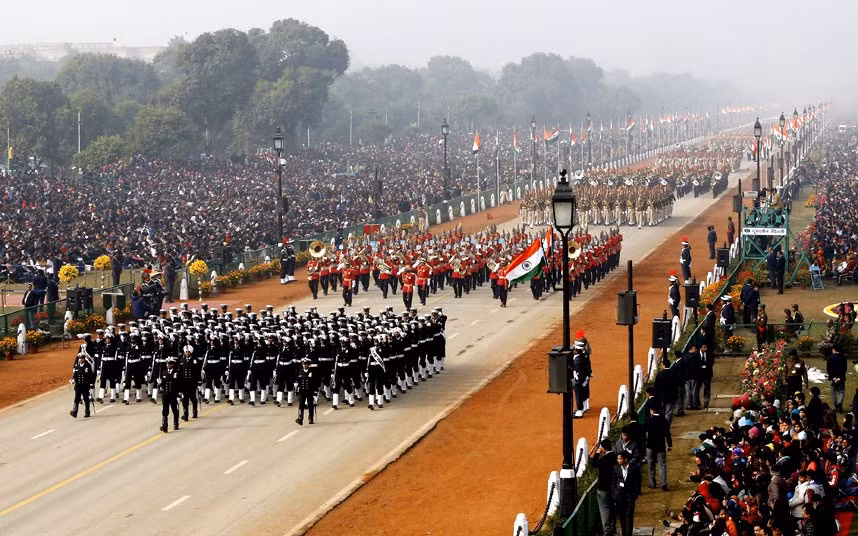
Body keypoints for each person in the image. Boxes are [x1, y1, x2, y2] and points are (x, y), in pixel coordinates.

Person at [591, 439, 618, 536]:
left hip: (603, 488)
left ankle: (607, 531)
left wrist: (597, 453)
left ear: (603, 448)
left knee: (604, 510)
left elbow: (593, 464)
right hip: (613, 487)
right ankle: (612, 527)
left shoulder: (604, 459)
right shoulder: (615, 456)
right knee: (612, 508)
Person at [612, 450, 641, 536]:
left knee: (628, 516)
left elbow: (638, 481)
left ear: (625, 459)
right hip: (620, 497)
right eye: (617, 458)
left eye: (619, 458)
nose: (618, 460)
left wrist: (635, 494)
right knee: (622, 517)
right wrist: (615, 494)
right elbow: (614, 482)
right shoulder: (616, 468)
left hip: (630, 496)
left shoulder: (634, 468)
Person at [645, 403, 672, 491]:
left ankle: (652, 483)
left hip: (650, 445)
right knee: (662, 464)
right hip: (661, 445)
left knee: (650, 464)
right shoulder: (664, 420)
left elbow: (645, 433)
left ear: (652, 410)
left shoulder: (648, 420)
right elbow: (667, 433)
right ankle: (664, 484)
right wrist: (670, 445)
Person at [158, 356, 181, 432]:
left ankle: (176, 423)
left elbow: (179, 384)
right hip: (166, 394)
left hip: (173, 394)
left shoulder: (177, 372)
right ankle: (165, 425)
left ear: (173, 364)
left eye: (170, 363)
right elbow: (163, 385)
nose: (169, 365)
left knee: (174, 409)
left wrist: (179, 394)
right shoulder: (164, 372)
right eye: (168, 363)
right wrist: (160, 383)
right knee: (165, 410)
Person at [70, 352, 95, 418]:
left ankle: (87, 411)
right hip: (78, 386)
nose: (81, 360)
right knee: (76, 398)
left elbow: (90, 376)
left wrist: (91, 383)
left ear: (84, 359)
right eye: (80, 358)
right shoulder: (77, 366)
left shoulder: (87, 366)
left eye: (82, 358)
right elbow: (75, 375)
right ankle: (74, 411)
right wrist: (73, 380)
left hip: (85, 386)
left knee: (85, 398)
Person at [295, 357, 318, 425]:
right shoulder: (300, 372)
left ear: (309, 365)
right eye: (303, 364)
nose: (304, 365)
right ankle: (300, 418)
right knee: (301, 405)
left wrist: (315, 393)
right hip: (302, 391)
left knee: (310, 405)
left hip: (310, 391)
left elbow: (315, 383)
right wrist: (297, 389)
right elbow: (298, 382)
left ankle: (310, 418)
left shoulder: (312, 372)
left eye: (306, 364)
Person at [827, 345, 847, 412]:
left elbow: (829, 368)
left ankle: (835, 405)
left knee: (833, 391)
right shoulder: (843, 357)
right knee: (841, 391)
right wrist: (840, 377)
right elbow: (844, 368)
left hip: (833, 377)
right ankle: (840, 402)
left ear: (834, 349)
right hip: (841, 377)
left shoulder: (830, 357)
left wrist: (833, 377)